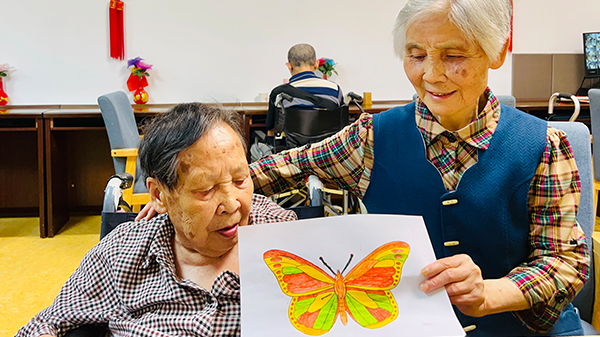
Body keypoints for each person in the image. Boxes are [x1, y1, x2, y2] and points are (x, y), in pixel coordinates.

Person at [249, 1, 590, 336]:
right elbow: (281, 169)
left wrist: (490, 294)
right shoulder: (369, 140)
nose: (430, 74)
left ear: (496, 53)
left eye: (453, 56)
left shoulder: (542, 145)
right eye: (416, 55)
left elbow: (563, 261)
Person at [17, 103, 297, 336]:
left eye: (240, 180)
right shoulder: (124, 253)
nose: (232, 204)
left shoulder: (283, 234)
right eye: (206, 189)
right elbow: (45, 325)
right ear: (159, 195)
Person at [265, 43, 344, 141]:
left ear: (289, 66)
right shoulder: (335, 89)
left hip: (294, 153)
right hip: (327, 152)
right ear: (316, 65)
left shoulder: (280, 93)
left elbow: (271, 129)